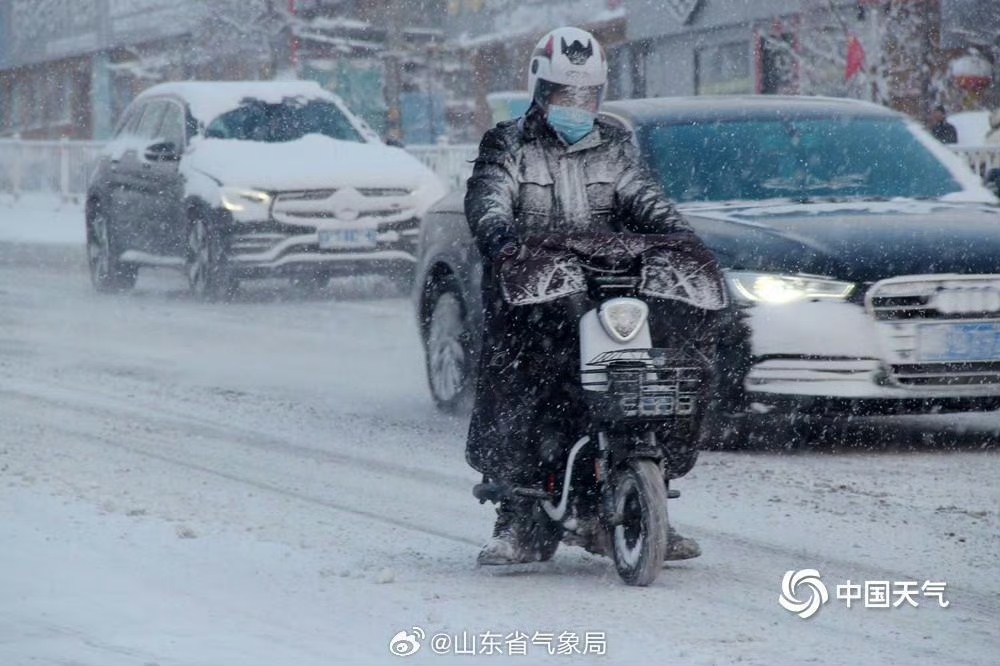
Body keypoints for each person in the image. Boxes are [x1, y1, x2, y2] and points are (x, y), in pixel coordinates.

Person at [464, 26, 720, 566]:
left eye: (587, 96)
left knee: (649, 375)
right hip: (534, 296)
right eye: (565, 95)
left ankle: (643, 497)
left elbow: (647, 200)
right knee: (527, 386)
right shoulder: (508, 144)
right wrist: (504, 242)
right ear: (541, 92)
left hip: (608, 289)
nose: (577, 106)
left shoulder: (616, 145)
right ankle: (516, 514)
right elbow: (488, 201)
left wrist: (682, 239)